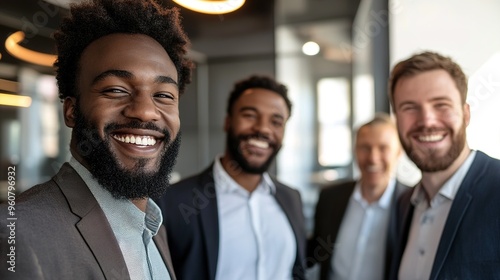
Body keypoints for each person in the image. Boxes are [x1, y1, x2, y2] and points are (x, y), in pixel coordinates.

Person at [0, 0, 193, 279]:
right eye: (116, 89)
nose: (145, 111)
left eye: (163, 95)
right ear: (71, 110)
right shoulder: (16, 236)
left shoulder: (153, 225)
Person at [156, 75, 306, 280]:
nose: (263, 128)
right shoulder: (173, 202)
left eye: (276, 121)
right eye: (250, 115)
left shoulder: (291, 198)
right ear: (228, 122)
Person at [388, 51, 500, 280]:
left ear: (466, 114)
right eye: (409, 107)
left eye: (441, 104)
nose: (427, 121)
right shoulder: (403, 204)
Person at [308, 113, 408, 280]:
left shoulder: (411, 204)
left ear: (399, 152)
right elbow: (313, 255)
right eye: (365, 147)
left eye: (383, 148)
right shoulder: (329, 198)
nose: (373, 158)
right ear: (355, 150)